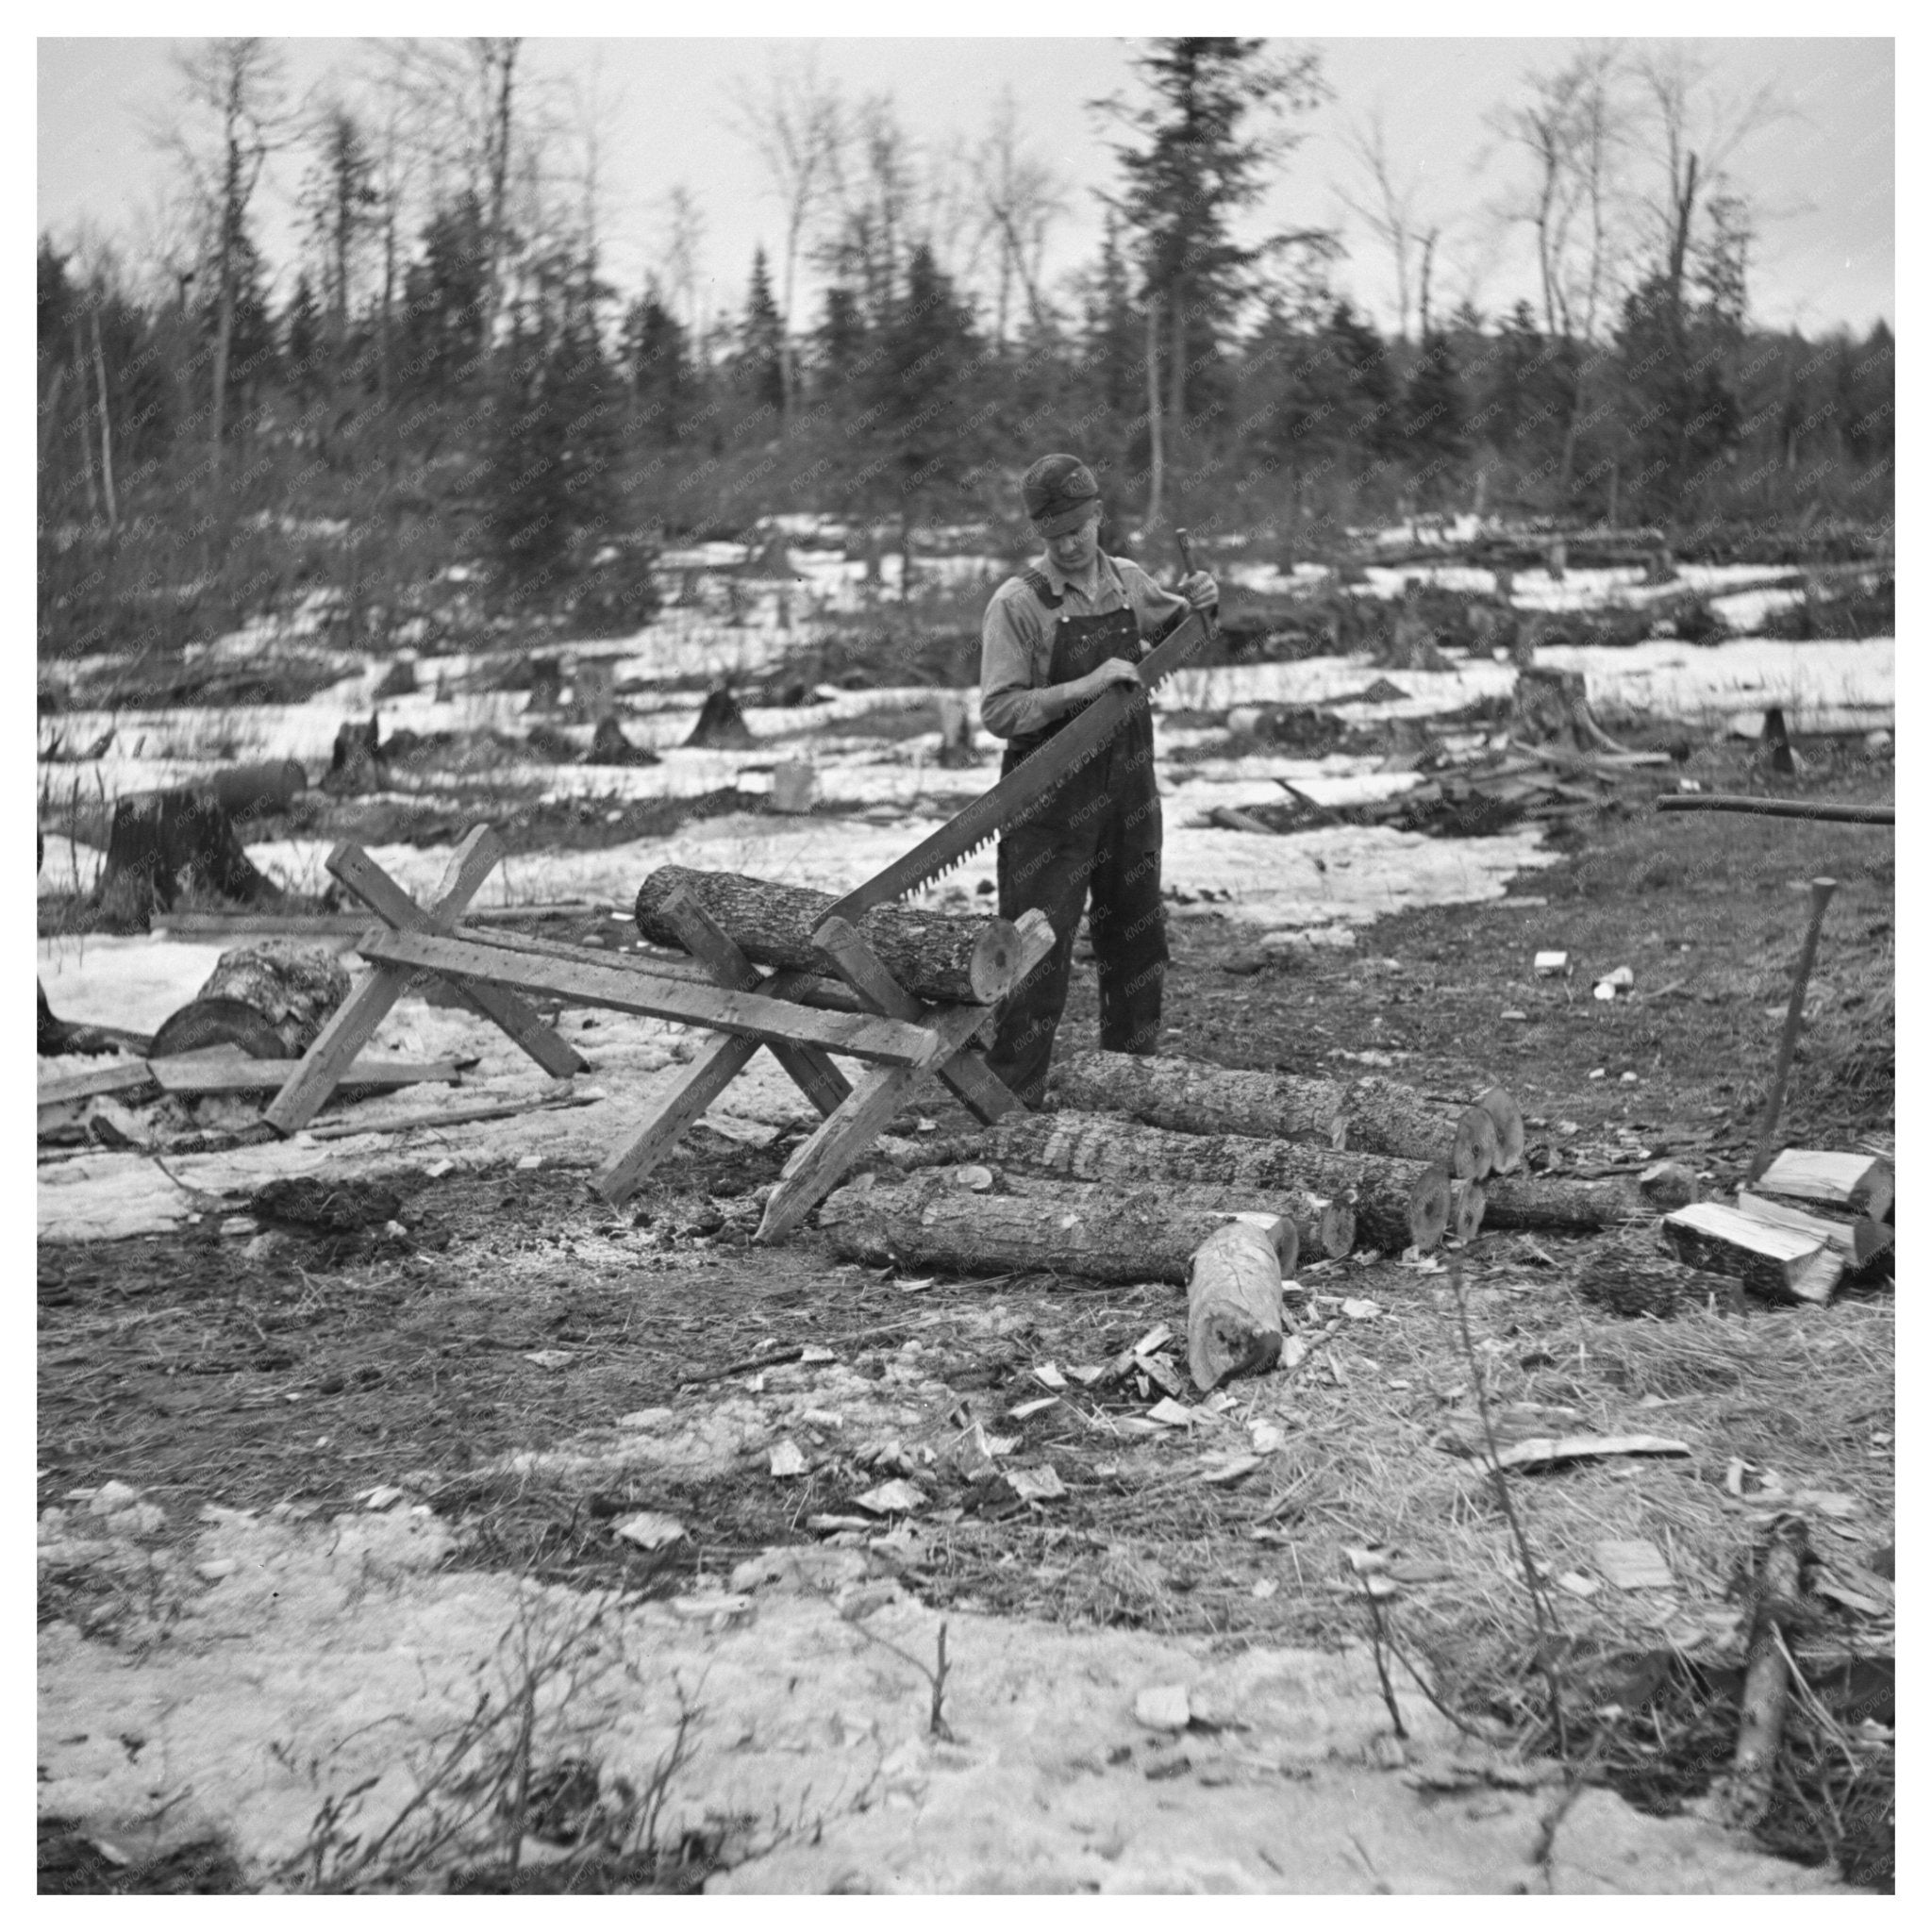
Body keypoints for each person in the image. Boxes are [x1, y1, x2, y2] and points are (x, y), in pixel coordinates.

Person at [977, 454, 1218, 1103]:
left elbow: (1182, 629)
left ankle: (1129, 1086)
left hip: (1129, 789)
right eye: (1054, 533)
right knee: (1036, 953)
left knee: (1137, 938)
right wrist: (1082, 687)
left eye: (1079, 528)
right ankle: (1010, 1103)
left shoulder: (1130, 582)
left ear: (1099, 516)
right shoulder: (1018, 604)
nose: (1069, 543)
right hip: (1050, 800)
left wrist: (1201, 604)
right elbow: (1000, 710)